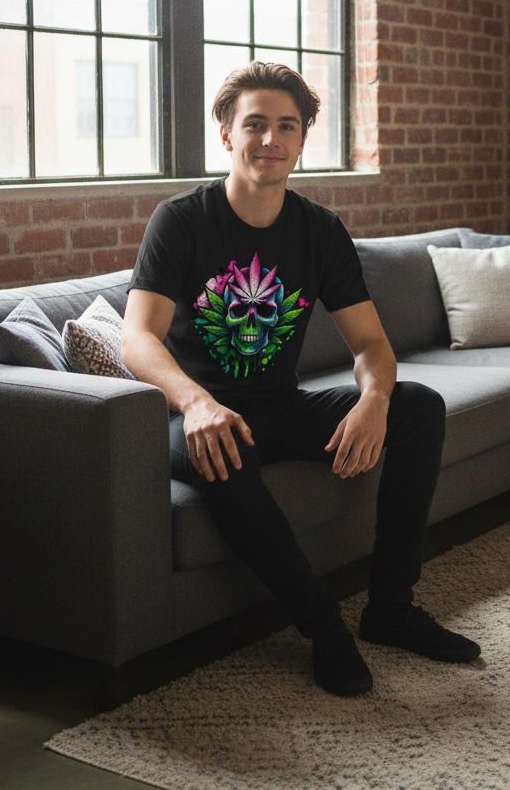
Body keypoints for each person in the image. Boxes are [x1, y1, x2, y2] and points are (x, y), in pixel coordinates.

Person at [122, 61, 480, 696]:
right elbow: (138, 338)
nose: (270, 139)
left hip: (280, 408)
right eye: (254, 124)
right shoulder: (180, 220)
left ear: (302, 139)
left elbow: (370, 343)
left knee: (418, 406)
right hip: (191, 417)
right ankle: (323, 629)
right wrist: (197, 402)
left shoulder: (319, 230)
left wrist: (374, 398)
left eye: (286, 126)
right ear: (226, 134)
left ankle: (391, 608)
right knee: (222, 446)